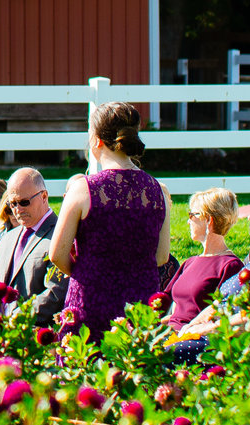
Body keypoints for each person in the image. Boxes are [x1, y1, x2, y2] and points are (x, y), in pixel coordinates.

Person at [47, 101, 167, 338]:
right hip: (140, 306)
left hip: (91, 302)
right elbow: (161, 257)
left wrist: (85, 272)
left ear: (97, 140)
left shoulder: (83, 189)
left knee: (84, 369)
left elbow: (56, 254)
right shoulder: (158, 190)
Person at [163, 189, 244, 328]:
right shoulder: (190, 262)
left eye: (192, 215)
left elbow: (222, 315)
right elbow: (173, 311)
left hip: (193, 338)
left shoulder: (230, 266)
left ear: (208, 219)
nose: (188, 222)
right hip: (170, 334)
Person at [0, 169, 58, 305]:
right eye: (13, 204)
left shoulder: (60, 236)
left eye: (24, 202)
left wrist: (18, 318)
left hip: (36, 324)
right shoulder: (6, 239)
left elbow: (55, 294)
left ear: (44, 196)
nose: (18, 209)